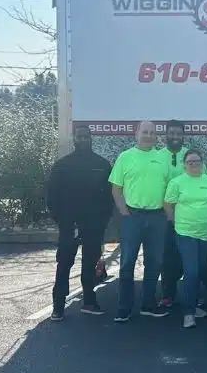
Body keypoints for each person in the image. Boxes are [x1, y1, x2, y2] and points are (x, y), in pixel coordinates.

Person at [47, 125, 113, 320]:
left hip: (94, 224)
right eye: (79, 136)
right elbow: (52, 197)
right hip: (70, 224)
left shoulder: (102, 164)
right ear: (74, 138)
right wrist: (62, 220)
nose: (83, 139)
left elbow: (109, 197)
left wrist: (103, 220)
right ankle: (58, 306)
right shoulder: (62, 165)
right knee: (64, 263)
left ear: (91, 138)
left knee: (90, 264)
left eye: (86, 136)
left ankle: (89, 302)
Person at [109, 120, 172, 322]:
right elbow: (116, 188)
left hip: (157, 217)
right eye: (145, 132)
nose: (149, 135)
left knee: (154, 263)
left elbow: (169, 188)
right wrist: (124, 212)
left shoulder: (163, 158)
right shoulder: (125, 157)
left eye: (152, 132)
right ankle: (124, 308)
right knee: (127, 263)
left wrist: (167, 214)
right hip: (132, 217)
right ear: (136, 133)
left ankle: (148, 305)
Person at [164, 149, 207, 329]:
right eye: (190, 162)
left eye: (197, 161)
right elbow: (168, 205)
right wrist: (174, 223)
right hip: (185, 233)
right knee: (191, 271)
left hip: (206, 233)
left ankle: (194, 306)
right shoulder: (176, 182)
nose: (194, 164)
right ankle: (188, 313)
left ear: (202, 163)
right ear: (184, 164)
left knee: (201, 270)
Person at [160, 120, 188, 309]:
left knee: (188, 256)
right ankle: (167, 294)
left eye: (179, 133)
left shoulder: (190, 156)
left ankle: (192, 295)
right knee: (166, 256)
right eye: (172, 133)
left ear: (183, 136)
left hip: (188, 215)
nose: (175, 137)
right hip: (163, 215)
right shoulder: (157, 156)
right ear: (166, 135)